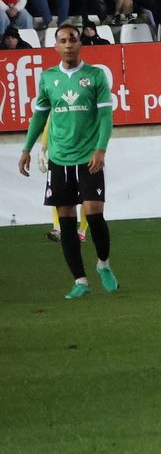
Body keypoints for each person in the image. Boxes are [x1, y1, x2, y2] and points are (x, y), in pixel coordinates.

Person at [16, 25, 120, 298]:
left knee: (95, 215)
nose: (68, 45)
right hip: (59, 159)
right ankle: (81, 281)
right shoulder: (49, 78)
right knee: (66, 223)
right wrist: (27, 148)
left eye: (72, 39)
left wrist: (101, 149)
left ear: (79, 44)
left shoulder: (95, 76)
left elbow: (106, 118)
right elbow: (39, 116)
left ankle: (103, 264)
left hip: (88, 158)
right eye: (62, 41)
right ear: (56, 47)